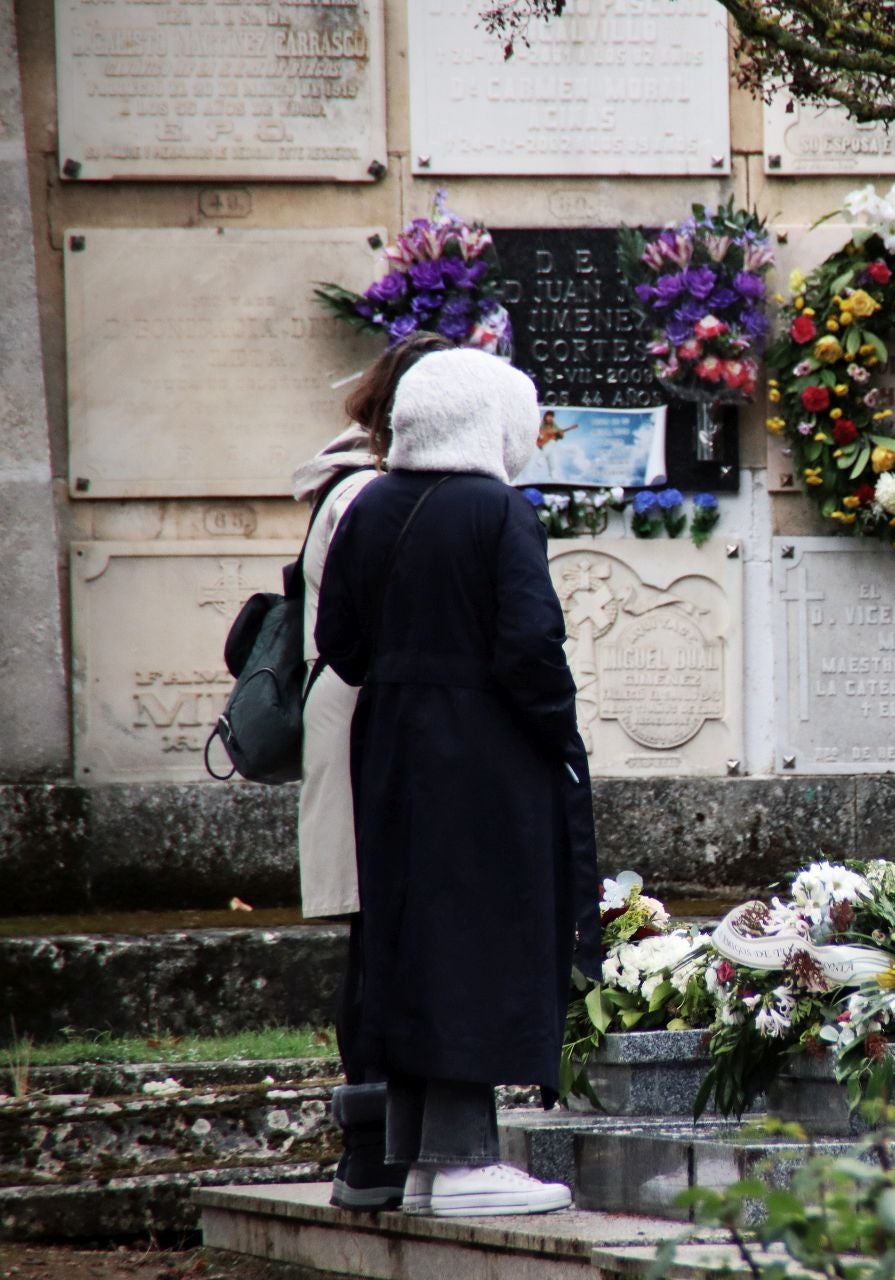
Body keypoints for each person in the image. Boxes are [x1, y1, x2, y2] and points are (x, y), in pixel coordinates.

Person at [316, 349, 599, 1218]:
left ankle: (417, 1156)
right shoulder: (499, 511)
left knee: (410, 933)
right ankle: (465, 1159)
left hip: (392, 744)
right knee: (479, 932)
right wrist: (560, 730)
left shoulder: (369, 507)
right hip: (482, 749)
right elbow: (529, 643)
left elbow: (341, 641)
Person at [290, 330, 452, 1212]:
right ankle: (371, 1146)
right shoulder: (366, 495)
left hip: (361, 712)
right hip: (363, 714)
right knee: (376, 935)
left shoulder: (358, 485)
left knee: (381, 930)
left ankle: (387, 1144)